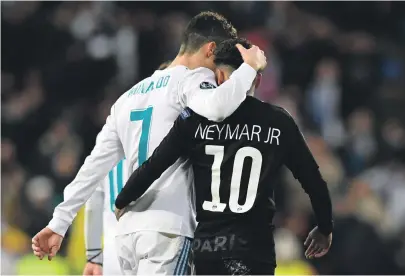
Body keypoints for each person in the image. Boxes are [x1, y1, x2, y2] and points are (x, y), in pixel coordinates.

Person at [32, 11, 267, 276]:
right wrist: (250, 68)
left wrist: (59, 222)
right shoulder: (191, 81)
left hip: (125, 238)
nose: (218, 75)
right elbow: (219, 107)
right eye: (220, 62)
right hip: (166, 231)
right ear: (211, 49)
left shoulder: (127, 99)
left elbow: (92, 169)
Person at [115, 38, 333, 275]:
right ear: (257, 80)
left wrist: (123, 199)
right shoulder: (279, 122)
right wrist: (324, 227)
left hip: (208, 251)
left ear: (218, 77)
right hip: (254, 252)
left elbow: (154, 166)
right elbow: (313, 181)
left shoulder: (194, 119)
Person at [82, 62, 171, 276]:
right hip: (157, 242)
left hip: (113, 250)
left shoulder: (105, 144)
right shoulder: (171, 142)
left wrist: (93, 256)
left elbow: (93, 203)